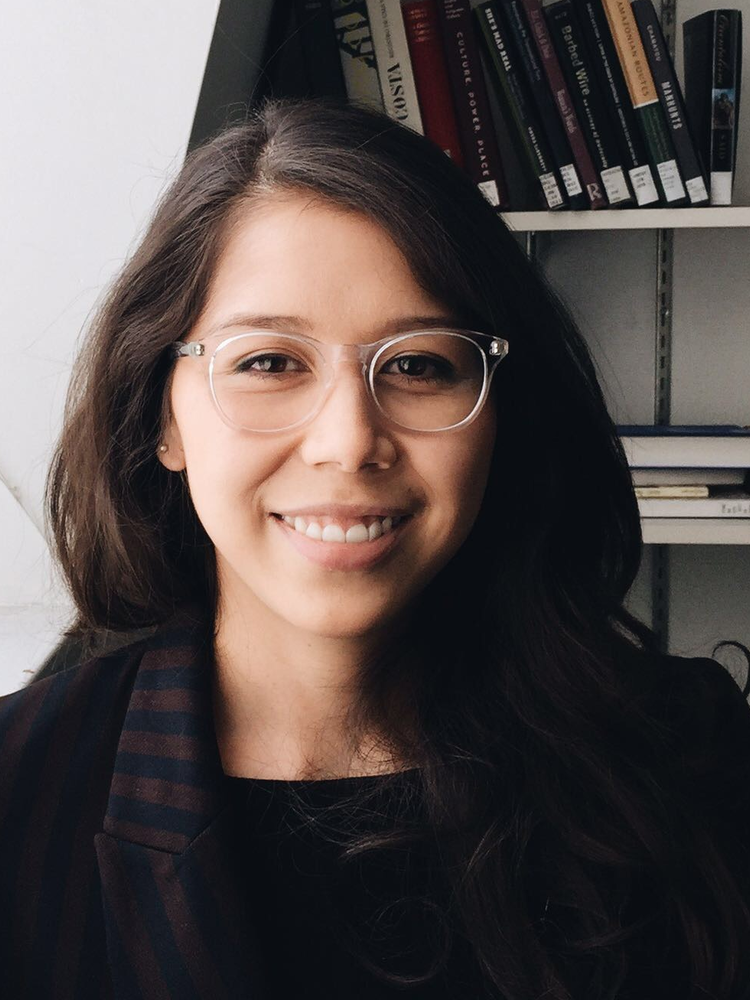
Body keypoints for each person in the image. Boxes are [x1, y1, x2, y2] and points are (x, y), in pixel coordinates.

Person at [1, 96, 749, 1000]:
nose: (349, 441)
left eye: (419, 364)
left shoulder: (689, 756)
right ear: (165, 416)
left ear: (499, 417)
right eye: (270, 362)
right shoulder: (19, 791)